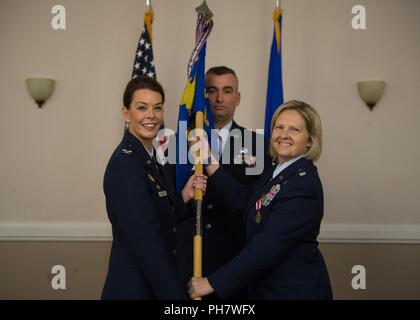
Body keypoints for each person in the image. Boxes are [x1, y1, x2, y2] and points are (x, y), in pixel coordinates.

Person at [187, 100, 333, 300]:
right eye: (279, 127)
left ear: (309, 140)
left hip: (293, 292)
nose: (283, 135)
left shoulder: (302, 184)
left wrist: (212, 283)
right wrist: (209, 160)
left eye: (294, 130)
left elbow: (267, 247)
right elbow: (243, 199)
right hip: (268, 289)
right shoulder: (277, 172)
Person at [101, 76, 207, 300]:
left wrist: (184, 197)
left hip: (152, 285)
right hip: (136, 289)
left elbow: (160, 217)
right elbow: (145, 240)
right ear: (126, 114)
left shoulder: (152, 160)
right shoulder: (126, 165)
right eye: (142, 107)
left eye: (157, 108)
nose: (151, 115)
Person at [197, 67, 272, 297]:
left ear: (237, 97)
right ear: (204, 95)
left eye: (227, 91)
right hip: (193, 258)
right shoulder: (182, 141)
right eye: (212, 90)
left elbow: (259, 204)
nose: (219, 98)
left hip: (235, 258)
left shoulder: (259, 144)